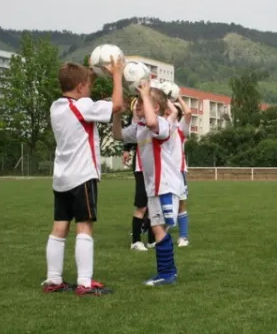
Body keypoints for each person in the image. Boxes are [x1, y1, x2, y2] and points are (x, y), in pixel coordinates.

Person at [43, 56, 124, 296]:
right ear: (80, 88)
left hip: (61, 178)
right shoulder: (82, 106)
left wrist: (93, 72)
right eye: (89, 87)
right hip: (82, 176)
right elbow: (118, 105)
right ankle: (85, 283)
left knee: (59, 228)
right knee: (85, 226)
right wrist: (117, 75)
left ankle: (53, 279)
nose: (91, 91)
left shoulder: (57, 106)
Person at [113, 83, 184, 286]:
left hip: (166, 185)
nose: (138, 105)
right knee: (156, 227)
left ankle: (168, 274)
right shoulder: (140, 127)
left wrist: (145, 93)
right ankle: (166, 272)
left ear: (155, 108)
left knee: (159, 228)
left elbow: (154, 124)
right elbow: (118, 135)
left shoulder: (162, 123)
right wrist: (117, 114)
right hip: (154, 186)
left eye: (143, 102)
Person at [124, 97, 155, 251]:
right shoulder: (136, 126)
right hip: (141, 170)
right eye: (135, 106)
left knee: (152, 205)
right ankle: (135, 241)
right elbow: (122, 135)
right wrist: (126, 150)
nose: (137, 107)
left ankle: (151, 239)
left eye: (140, 105)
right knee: (142, 206)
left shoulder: (154, 123)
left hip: (154, 170)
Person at [165, 94, 192, 247]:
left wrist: (179, 97)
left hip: (178, 171)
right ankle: (162, 235)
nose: (169, 111)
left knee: (181, 204)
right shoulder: (162, 126)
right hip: (163, 171)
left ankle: (183, 237)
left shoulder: (181, 128)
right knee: (164, 204)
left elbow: (188, 113)